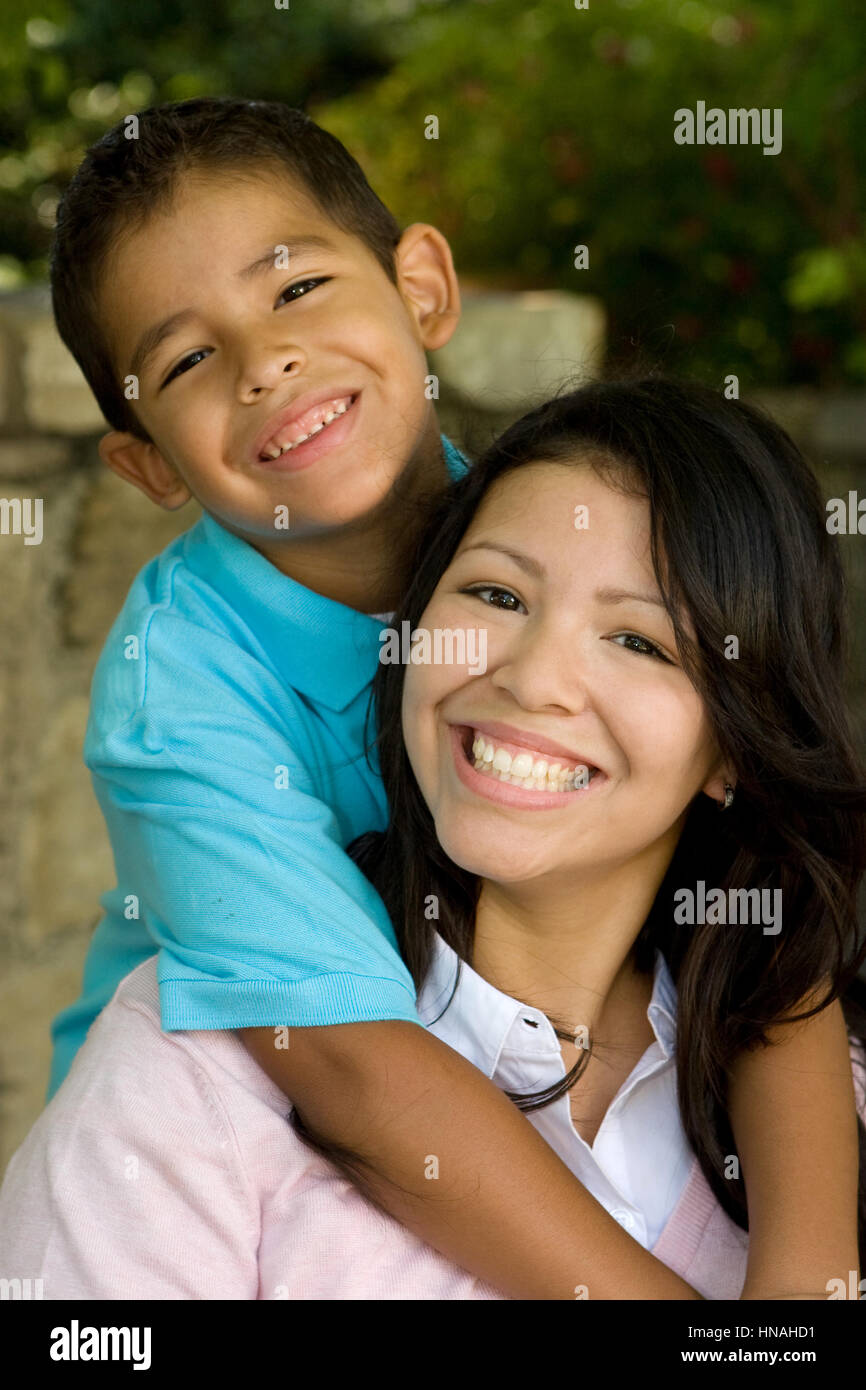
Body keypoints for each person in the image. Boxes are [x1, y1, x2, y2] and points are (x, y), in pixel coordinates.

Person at [42, 95, 709, 1299]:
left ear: (421, 287)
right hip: (236, 1164)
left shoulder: (557, 525)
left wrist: (816, 1270)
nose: (265, 364)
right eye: (186, 359)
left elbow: (765, 922)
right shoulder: (178, 689)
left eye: (294, 287)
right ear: (147, 463)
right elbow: (351, 1075)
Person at [2, 376, 862, 1300]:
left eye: (640, 642)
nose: (535, 681)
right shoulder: (194, 1071)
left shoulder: (815, 1097)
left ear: (733, 747)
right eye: (496, 594)